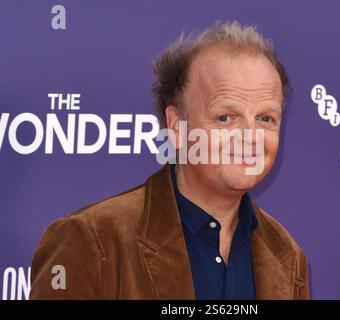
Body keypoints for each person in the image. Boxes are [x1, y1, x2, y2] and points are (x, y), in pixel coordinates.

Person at [30, 21, 309, 300]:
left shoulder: (287, 256)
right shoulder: (91, 240)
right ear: (177, 126)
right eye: (225, 117)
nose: (251, 137)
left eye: (265, 119)